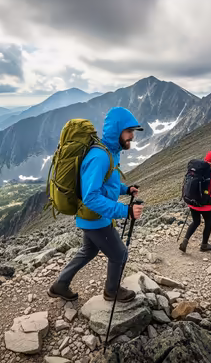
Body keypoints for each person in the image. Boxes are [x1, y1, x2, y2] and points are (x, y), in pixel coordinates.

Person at [48, 107, 145, 302]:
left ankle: (60, 285)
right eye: (129, 131)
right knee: (119, 254)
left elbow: (106, 184)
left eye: (133, 131)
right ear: (117, 130)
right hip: (95, 219)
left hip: (92, 218)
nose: (132, 136)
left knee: (88, 251)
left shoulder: (110, 152)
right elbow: (91, 197)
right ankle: (112, 291)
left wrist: (125, 190)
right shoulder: (100, 157)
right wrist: (125, 210)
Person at [179, 151, 211, 253]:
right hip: (207, 206)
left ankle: (185, 241)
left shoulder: (197, 171)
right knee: (208, 224)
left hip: (193, 203)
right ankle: (204, 245)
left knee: (196, 222)